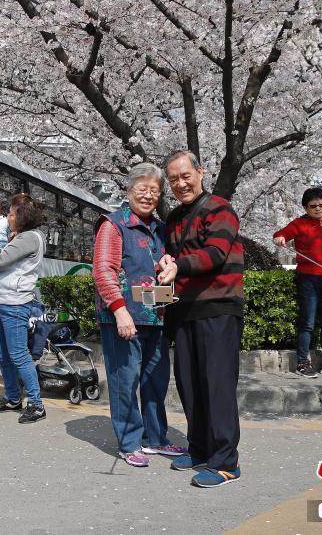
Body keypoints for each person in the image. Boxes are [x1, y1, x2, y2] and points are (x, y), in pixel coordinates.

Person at [159, 150, 244, 488]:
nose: (181, 184)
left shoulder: (219, 208)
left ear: (200, 172)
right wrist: (167, 265)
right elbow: (171, 263)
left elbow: (216, 253)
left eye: (185, 176)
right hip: (185, 310)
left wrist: (179, 264)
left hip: (219, 308)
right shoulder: (175, 219)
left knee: (218, 385)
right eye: (174, 179)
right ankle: (199, 448)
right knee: (190, 385)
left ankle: (226, 462)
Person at [92, 163, 185, 467]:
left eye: (154, 191)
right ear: (129, 191)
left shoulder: (158, 228)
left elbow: (159, 262)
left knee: (155, 380)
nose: (148, 196)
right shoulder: (113, 224)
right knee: (125, 381)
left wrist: (167, 263)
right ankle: (129, 442)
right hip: (123, 317)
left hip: (155, 316)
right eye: (142, 190)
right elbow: (104, 271)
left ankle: (155, 438)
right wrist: (120, 313)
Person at [0, 193, 48, 424]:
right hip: (2, 300)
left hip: (16, 303)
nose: (7, 217)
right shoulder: (22, 236)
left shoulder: (29, 237)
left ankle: (36, 405)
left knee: (18, 355)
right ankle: (12, 397)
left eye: (10, 213)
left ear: (22, 216)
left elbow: (0, 260)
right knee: (2, 354)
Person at [272, 187, 322, 379]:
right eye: (313, 206)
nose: (318, 208)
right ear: (305, 207)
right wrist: (280, 238)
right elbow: (280, 234)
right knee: (307, 323)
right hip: (308, 279)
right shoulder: (299, 224)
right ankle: (302, 363)